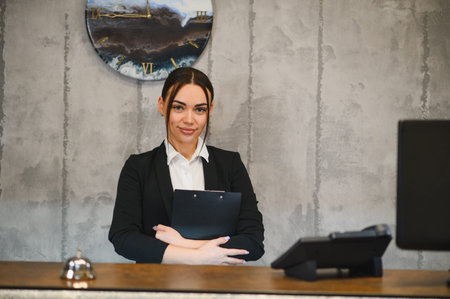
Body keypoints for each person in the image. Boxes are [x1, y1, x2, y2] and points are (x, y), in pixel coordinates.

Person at [109, 67, 264, 265]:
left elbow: (253, 242)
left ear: (210, 110)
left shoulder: (230, 165)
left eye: (200, 109)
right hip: (157, 287)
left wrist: (183, 243)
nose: (189, 120)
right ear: (162, 105)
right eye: (179, 107)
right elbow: (124, 238)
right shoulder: (138, 168)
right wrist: (196, 256)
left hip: (218, 289)